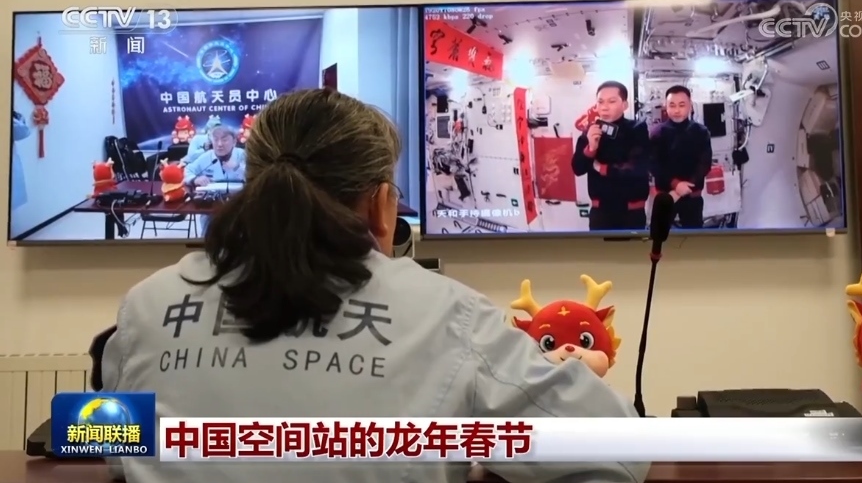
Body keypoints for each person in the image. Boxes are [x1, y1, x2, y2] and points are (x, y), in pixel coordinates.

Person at [92, 89, 648, 483]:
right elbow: (619, 451)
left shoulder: (149, 305)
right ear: (382, 204)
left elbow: (115, 451)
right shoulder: (444, 315)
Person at [571, 81, 651, 230]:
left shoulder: (637, 129)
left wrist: (600, 168)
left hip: (631, 211)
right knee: (599, 246)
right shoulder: (590, 131)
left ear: (624, 105)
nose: (604, 107)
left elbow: (637, 168)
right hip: (600, 212)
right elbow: (578, 168)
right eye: (600, 102)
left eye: (611, 101)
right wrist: (591, 148)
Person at [650, 85, 712, 229]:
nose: (677, 110)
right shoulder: (657, 132)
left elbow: (704, 164)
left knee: (693, 237)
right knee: (659, 234)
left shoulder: (701, 132)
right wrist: (676, 185)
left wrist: (687, 186)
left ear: (690, 105)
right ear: (666, 106)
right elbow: (654, 164)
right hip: (667, 195)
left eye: (681, 105)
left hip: (693, 195)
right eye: (672, 105)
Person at [183, 125, 246, 236]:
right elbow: (188, 170)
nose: (219, 144)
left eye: (224, 140)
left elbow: (256, 177)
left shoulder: (243, 155)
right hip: (212, 204)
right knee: (209, 227)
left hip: (239, 203)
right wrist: (195, 179)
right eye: (216, 140)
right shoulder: (206, 156)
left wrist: (237, 167)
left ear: (234, 142)